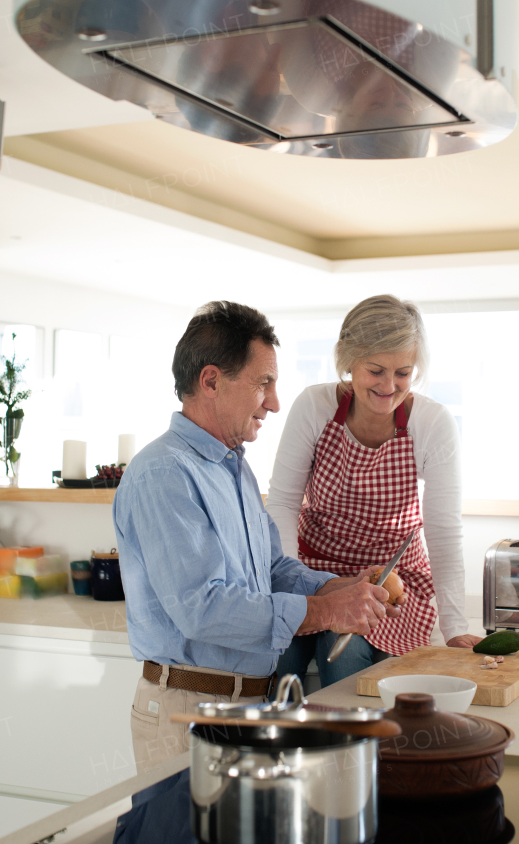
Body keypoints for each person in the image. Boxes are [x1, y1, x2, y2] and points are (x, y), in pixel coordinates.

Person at [114, 301, 401, 773]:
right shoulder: (164, 473)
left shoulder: (234, 466)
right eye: (263, 383)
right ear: (211, 381)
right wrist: (326, 611)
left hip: (246, 707)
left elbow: (272, 570)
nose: (274, 401)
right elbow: (202, 610)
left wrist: (339, 587)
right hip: (186, 713)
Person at [268, 295, 481, 689]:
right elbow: (282, 502)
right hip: (312, 574)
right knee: (279, 652)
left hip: (391, 583)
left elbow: (444, 532)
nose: (390, 386)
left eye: (403, 372)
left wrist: (455, 628)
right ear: (348, 361)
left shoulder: (431, 422)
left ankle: (357, 749)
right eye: (375, 370)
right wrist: (289, 584)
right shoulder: (314, 407)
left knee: (341, 650)